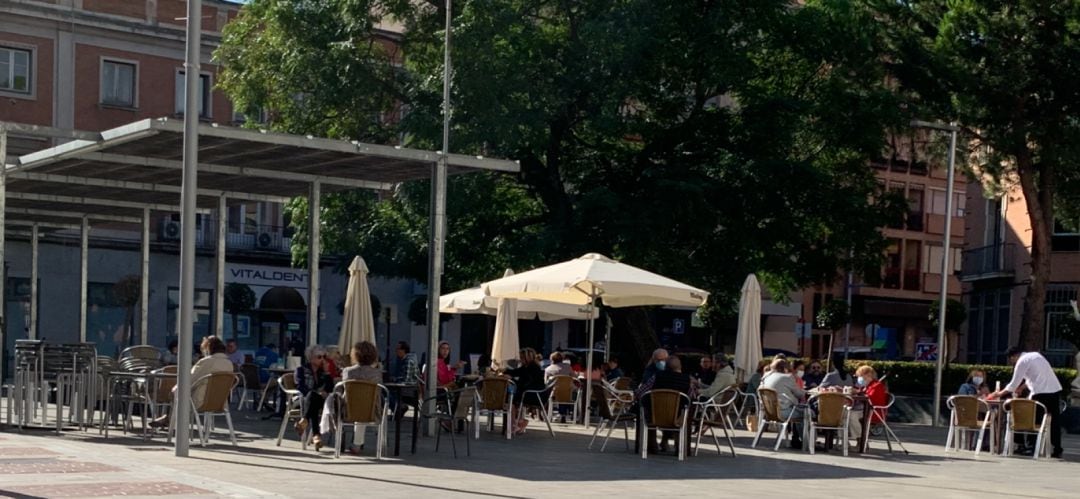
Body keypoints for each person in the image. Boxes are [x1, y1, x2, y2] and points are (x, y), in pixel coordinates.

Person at [989, 347, 1064, 459]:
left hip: (1040, 393)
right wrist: (1022, 387)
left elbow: (1013, 384)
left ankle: (1031, 447)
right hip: (1054, 390)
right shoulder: (1036, 355)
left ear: (1013, 357)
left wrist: (998, 394)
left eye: (1011, 360)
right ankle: (1057, 448)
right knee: (1054, 421)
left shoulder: (1021, 362)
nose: (1012, 363)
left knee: (1032, 419)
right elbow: (1036, 376)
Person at [149, 336, 233, 428]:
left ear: (208, 349)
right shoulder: (229, 364)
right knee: (180, 392)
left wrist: (176, 388)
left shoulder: (206, 362)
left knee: (177, 392)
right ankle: (167, 419)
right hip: (220, 402)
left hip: (201, 401)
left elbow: (189, 380)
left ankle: (170, 421)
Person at [319, 341, 382, 454]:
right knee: (364, 405)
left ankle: (340, 439)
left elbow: (340, 389)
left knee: (347, 402)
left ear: (355, 355)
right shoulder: (377, 373)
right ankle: (357, 445)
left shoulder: (348, 371)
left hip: (348, 410)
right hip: (372, 411)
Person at [295, 345, 335, 450]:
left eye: (323, 357)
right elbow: (300, 387)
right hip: (304, 399)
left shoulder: (323, 372)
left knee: (314, 400)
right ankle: (316, 436)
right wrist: (313, 393)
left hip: (320, 400)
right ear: (310, 357)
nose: (322, 359)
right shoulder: (301, 370)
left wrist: (327, 373)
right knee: (312, 398)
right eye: (319, 357)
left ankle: (304, 421)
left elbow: (330, 388)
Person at [651, 355, 693, 453]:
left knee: (643, 409)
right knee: (682, 411)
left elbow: (642, 392)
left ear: (666, 366)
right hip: (678, 416)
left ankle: (650, 446)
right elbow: (691, 397)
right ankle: (682, 448)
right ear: (680, 367)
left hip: (656, 415)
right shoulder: (687, 380)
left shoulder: (657, 376)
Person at [761, 358, 805, 449]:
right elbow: (799, 394)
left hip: (769, 412)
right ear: (785, 369)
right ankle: (807, 443)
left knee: (798, 410)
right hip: (783, 412)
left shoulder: (766, 377)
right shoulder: (787, 377)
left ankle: (797, 440)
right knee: (806, 413)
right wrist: (806, 391)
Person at [504, 348, 545, 434]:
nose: (520, 359)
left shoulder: (532, 368)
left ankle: (514, 424)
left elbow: (524, 383)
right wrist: (505, 370)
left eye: (522, 357)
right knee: (510, 398)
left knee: (510, 399)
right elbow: (516, 372)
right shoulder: (528, 366)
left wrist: (511, 379)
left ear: (527, 358)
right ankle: (518, 422)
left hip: (532, 394)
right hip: (532, 393)